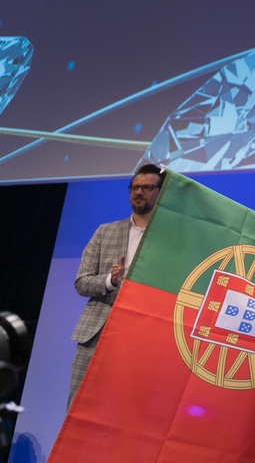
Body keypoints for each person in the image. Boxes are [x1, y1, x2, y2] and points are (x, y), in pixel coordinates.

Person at [68, 163, 163, 405]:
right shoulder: (105, 231)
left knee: (127, 407)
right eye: (135, 187)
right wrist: (110, 281)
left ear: (160, 192)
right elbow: (81, 282)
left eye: (147, 187)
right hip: (97, 332)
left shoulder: (168, 240)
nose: (139, 192)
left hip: (142, 336)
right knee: (80, 406)